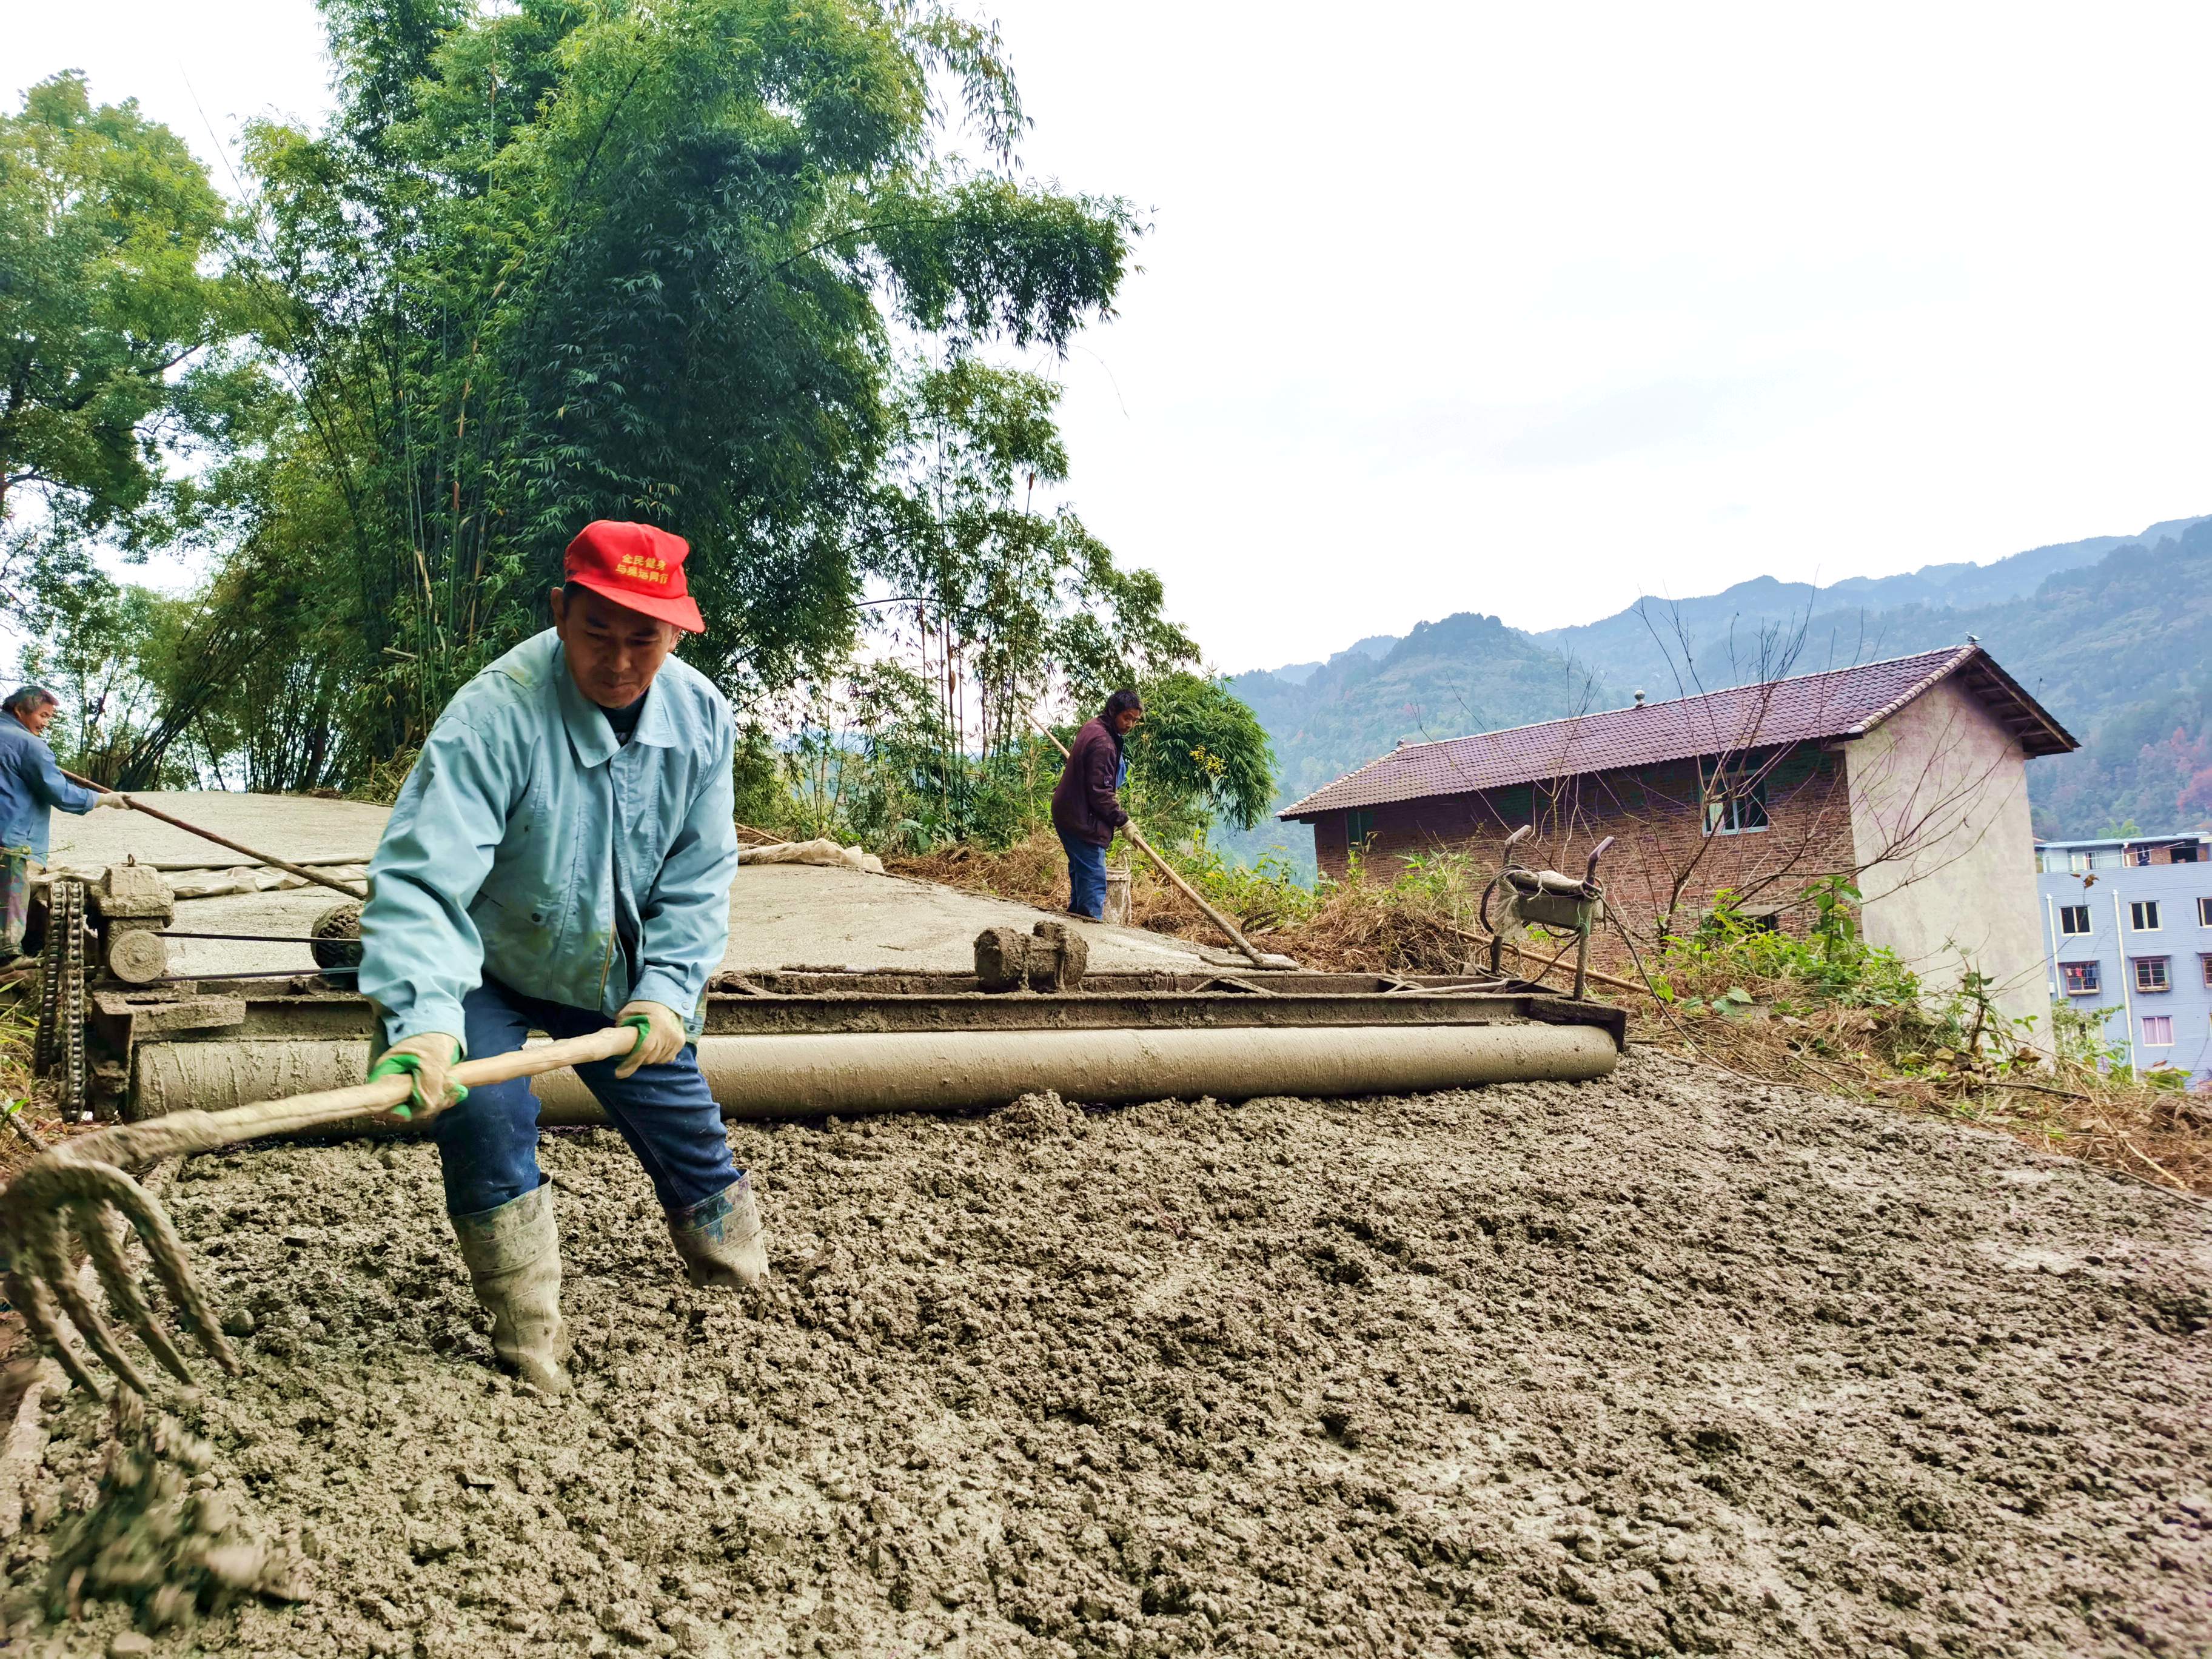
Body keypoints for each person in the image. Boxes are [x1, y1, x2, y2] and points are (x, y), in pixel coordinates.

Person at [356, 520, 761, 1395]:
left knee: (686, 1120)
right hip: (487, 965)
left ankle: (742, 1293)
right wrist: (424, 1025)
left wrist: (667, 992)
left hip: (616, 973)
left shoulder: (702, 720)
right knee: (483, 1113)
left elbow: (699, 877)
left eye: (643, 640)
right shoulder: (494, 713)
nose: (620, 662)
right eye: (598, 635)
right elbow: (424, 881)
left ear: (676, 632)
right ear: (560, 612)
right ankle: (531, 1349)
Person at [0, 686, 129, 962]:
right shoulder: (29, 745)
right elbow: (59, 792)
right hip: (10, 837)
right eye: (43, 716)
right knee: (11, 893)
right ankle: (8, 957)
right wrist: (105, 800)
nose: (45, 724)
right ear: (20, 711)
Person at [1050, 688, 1143, 920]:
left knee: (1082, 875)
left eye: (1135, 720)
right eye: (1127, 718)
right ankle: (1090, 930)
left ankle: (1073, 928)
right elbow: (1100, 794)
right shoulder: (1103, 743)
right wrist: (1124, 822)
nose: (1130, 724)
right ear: (1113, 711)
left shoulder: (1095, 727)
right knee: (1092, 880)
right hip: (1081, 820)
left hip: (1071, 812)